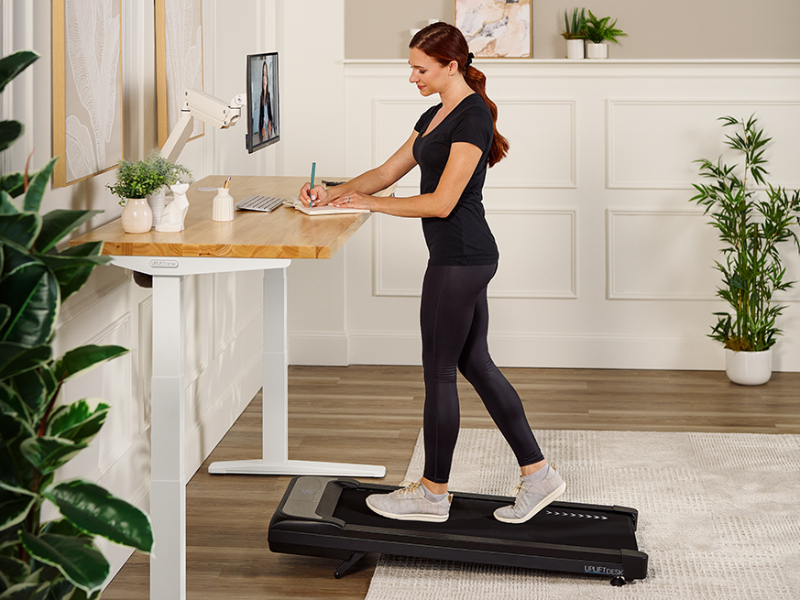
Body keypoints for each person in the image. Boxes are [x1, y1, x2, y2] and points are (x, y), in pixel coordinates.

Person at [299, 22, 565, 524]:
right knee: (476, 363)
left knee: (440, 371)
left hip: (460, 259)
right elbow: (385, 172)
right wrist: (334, 192)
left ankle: (431, 494)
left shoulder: (472, 118)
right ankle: (539, 474)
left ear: (451, 65)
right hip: (465, 257)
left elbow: (442, 203)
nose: (412, 78)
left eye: (420, 69)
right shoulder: (435, 113)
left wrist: (371, 205)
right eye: (411, 68)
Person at [259, 59, 274, 142]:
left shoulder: (269, 95)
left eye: (266, 76)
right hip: (263, 130)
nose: (264, 79)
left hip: (268, 129)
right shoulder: (261, 96)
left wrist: (269, 124)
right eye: (263, 75)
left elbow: (270, 113)